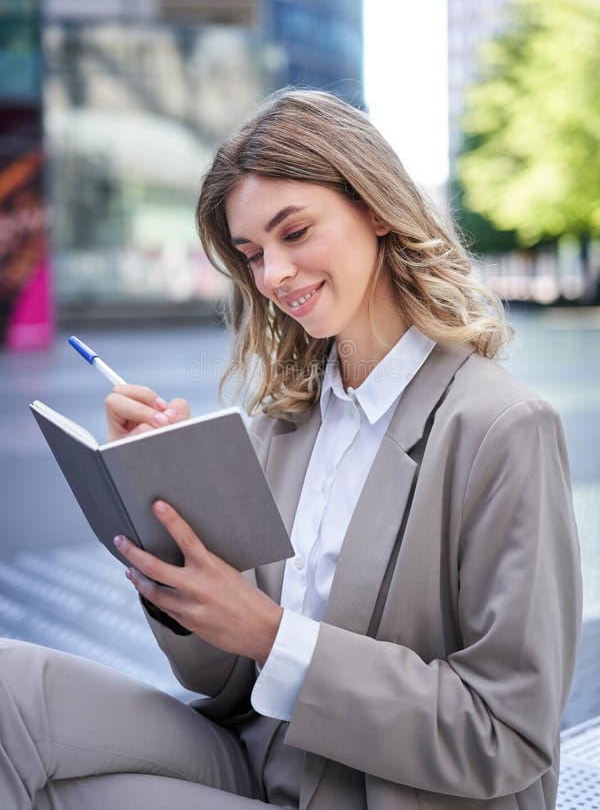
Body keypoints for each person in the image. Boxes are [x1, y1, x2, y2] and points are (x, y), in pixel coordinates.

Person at [0, 89, 582, 810]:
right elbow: (219, 679)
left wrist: (274, 636)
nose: (272, 276)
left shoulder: (500, 429)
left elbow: (507, 736)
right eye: (251, 253)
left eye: (295, 232)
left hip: (378, 794)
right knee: (8, 690)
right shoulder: (284, 426)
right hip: (256, 757)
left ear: (373, 207)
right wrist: (172, 538)